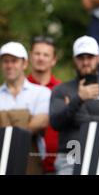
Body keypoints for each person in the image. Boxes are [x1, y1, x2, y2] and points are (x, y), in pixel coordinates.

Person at [50, 36, 99, 175]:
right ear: (74, 60)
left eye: (90, 57)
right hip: (70, 155)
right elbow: (56, 123)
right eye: (81, 57)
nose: (85, 62)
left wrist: (72, 108)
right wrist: (79, 99)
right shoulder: (61, 89)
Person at [0, 41, 51, 174]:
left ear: (25, 63)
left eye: (14, 61)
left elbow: (42, 121)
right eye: (6, 61)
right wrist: (26, 119)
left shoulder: (42, 92)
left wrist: (4, 121)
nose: (9, 65)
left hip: (31, 161)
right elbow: (32, 124)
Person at [27, 36, 62, 174]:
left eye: (46, 55)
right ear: (30, 57)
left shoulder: (62, 89)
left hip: (56, 165)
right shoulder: (19, 88)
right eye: (37, 54)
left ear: (53, 60)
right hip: (26, 164)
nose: (41, 58)